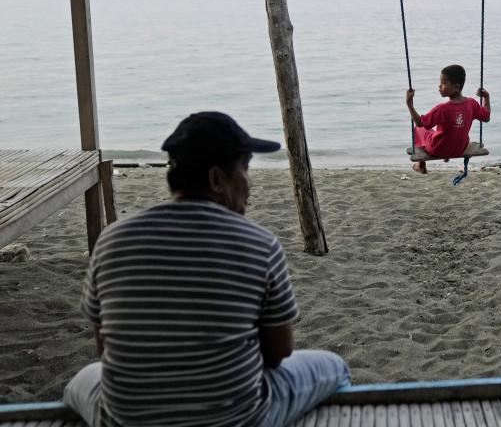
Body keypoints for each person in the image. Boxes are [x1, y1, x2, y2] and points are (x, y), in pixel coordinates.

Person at [63, 112, 350, 427]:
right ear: (216, 179)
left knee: (84, 379)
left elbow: (105, 349)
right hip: (237, 420)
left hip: (125, 421)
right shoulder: (258, 243)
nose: (249, 184)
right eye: (245, 168)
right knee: (335, 366)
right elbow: (279, 353)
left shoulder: (113, 239)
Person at [405, 64, 491, 174]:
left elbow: (420, 122)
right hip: (459, 149)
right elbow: (486, 117)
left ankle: (421, 165)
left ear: (456, 87)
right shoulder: (472, 104)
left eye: (444, 83)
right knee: (444, 131)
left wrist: (409, 103)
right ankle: (446, 155)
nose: (439, 86)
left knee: (420, 129)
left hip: (437, 149)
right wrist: (486, 98)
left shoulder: (442, 109)